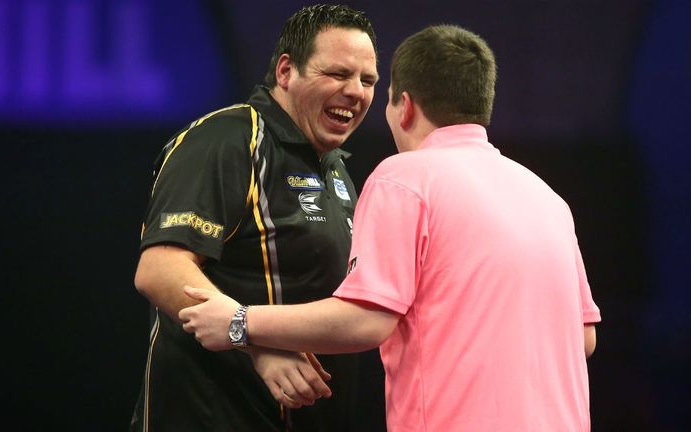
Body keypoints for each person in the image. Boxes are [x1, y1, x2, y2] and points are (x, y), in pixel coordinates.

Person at [179, 24, 602, 431]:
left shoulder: (404, 177)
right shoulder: (548, 198)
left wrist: (240, 323)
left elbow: (367, 322)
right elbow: (583, 339)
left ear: (406, 106)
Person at [130, 4, 382, 432]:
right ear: (286, 71)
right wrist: (252, 341)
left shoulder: (334, 167)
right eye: (338, 74)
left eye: (368, 80)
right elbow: (159, 270)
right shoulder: (225, 140)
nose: (356, 91)